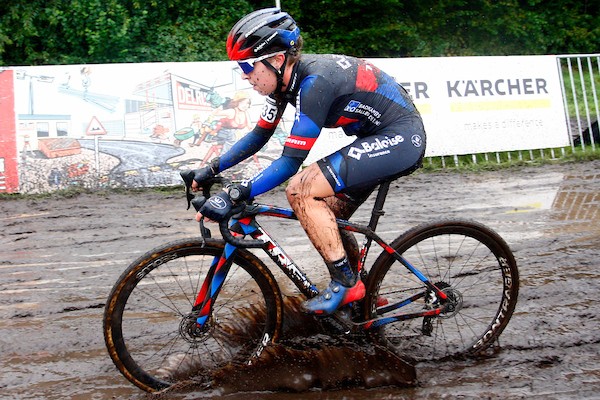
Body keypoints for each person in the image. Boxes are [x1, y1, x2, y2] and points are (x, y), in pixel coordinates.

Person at [190, 7, 426, 316]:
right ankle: (362, 299)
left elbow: (290, 163)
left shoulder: (314, 83)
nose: (245, 76)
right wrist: (211, 169)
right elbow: (258, 137)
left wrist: (235, 193)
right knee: (325, 213)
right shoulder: (283, 83)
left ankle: (346, 284)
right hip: (375, 137)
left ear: (276, 60)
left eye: (248, 66)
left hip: (400, 137)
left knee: (300, 189)